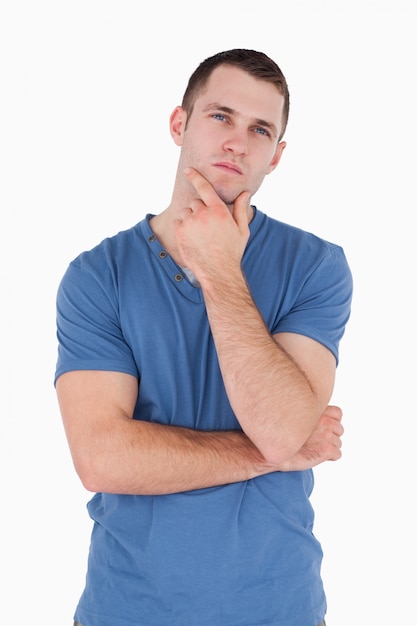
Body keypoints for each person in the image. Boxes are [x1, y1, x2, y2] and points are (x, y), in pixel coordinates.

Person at [55, 48, 353, 626]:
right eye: (221, 116)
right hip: (128, 610)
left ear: (277, 155)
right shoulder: (97, 276)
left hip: (278, 609)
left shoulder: (315, 266)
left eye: (260, 129)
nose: (237, 141)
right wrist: (277, 454)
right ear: (179, 124)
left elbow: (281, 427)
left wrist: (219, 271)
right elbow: (101, 459)